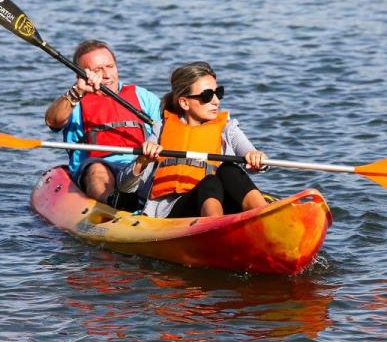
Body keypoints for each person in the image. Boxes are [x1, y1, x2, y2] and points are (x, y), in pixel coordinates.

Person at [119, 61, 268, 218]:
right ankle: (214, 227)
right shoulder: (161, 129)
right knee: (209, 182)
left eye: (219, 93)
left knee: (229, 169)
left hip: (223, 204)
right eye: (207, 96)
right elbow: (124, 187)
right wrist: (142, 161)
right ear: (184, 102)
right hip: (175, 210)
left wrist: (256, 158)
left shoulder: (228, 128)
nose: (216, 101)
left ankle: (265, 217)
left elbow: (253, 156)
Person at [44, 40, 162, 206]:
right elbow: (52, 121)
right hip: (100, 169)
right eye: (97, 70)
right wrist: (77, 92)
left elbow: (167, 129)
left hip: (141, 164)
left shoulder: (142, 96)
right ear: (80, 75)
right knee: (97, 170)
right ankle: (115, 203)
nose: (107, 75)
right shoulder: (76, 101)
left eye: (110, 66)